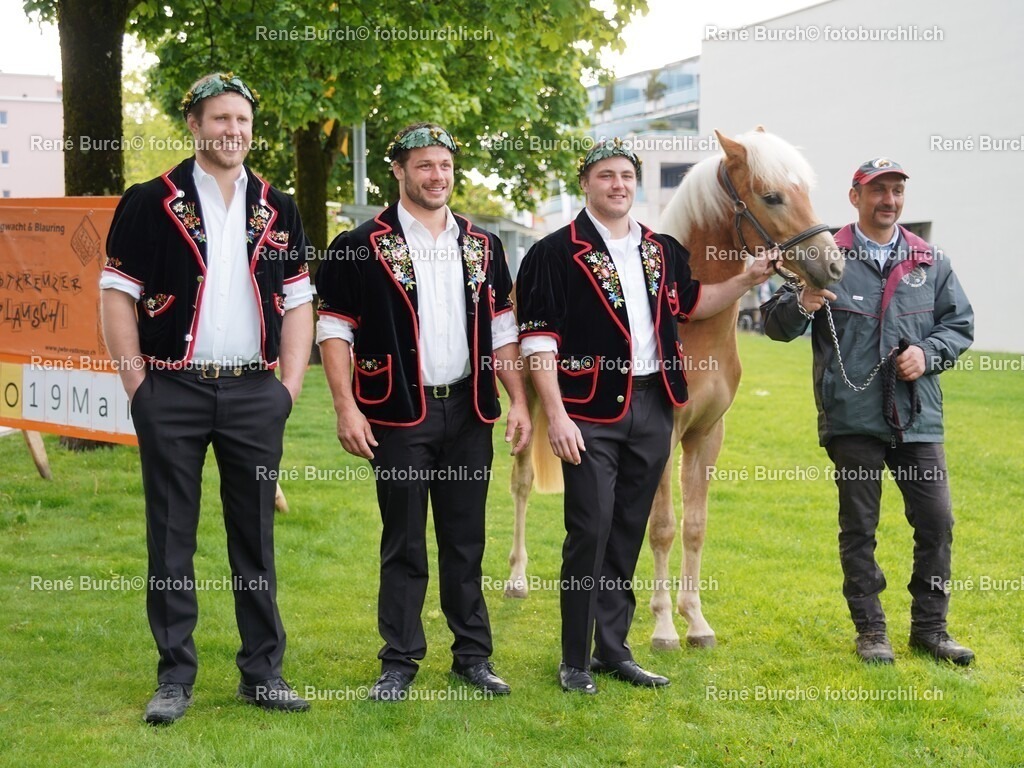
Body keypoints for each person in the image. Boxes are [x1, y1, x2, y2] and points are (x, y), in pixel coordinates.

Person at [515, 139, 773, 694]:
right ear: (585, 182)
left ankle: (613, 650)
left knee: (628, 532)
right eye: (606, 175)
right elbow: (538, 340)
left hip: (654, 405)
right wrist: (555, 415)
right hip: (586, 413)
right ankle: (575, 661)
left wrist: (747, 280)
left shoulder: (662, 250)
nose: (618, 185)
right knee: (589, 530)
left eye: (626, 175)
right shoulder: (553, 253)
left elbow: (692, 303)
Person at [102, 72, 314, 724]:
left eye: (243, 120)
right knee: (170, 537)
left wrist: (289, 389)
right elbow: (117, 297)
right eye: (220, 119)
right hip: (173, 386)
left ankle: (262, 672)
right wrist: (140, 387)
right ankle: (174, 678)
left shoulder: (278, 207)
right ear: (193, 124)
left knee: (254, 536)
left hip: (255, 390)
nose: (234, 131)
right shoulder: (149, 202)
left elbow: (301, 302)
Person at [316, 122, 531, 701]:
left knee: (467, 539)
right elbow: (334, 329)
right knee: (404, 539)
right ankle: (400, 660)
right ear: (399, 171)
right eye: (424, 166)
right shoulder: (358, 246)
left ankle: (473, 656)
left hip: (468, 409)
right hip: (396, 412)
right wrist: (345, 408)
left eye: (445, 166)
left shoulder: (484, 246)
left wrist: (519, 401)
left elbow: (505, 331)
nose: (437, 176)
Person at [762, 157, 975, 666]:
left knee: (937, 522)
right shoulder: (823, 253)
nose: (889, 200)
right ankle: (872, 631)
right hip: (852, 416)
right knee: (860, 526)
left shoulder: (930, 259)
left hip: (918, 416)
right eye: (878, 190)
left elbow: (959, 324)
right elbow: (774, 323)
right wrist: (805, 303)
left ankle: (931, 629)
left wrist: (928, 353)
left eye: (897, 190)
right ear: (855, 196)